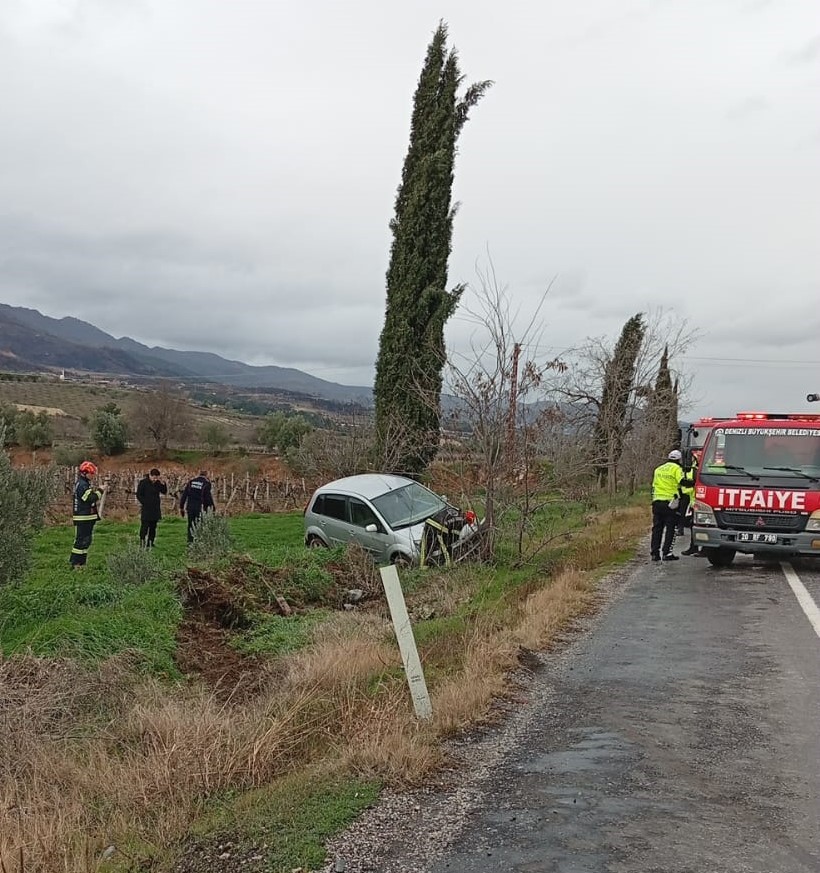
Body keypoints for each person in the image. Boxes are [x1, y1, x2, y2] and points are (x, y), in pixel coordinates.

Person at [650, 449, 692, 562]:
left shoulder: (658, 469)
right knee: (670, 529)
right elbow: (682, 482)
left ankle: (654, 553)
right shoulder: (677, 469)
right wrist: (694, 482)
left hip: (657, 502)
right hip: (670, 504)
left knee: (657, 529)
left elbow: (654, 485)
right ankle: (667, 553)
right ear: (679, 459)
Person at [70, 460, 106, 569]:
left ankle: (81, 563)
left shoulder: (83, 484)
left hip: (87, 517)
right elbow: (90, 498)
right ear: (84, 473)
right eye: (91, 474)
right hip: (83, 517)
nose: (93, 476)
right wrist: (100, 490)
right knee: (81, 541)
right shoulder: (82, 485)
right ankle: (76, 563)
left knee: (86, 541)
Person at [179, 469, 215, 544]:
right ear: (206, 475)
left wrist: (181, 507)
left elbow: (184, 495)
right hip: (200, 507)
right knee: (200, 524)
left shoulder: (191, 482)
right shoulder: (206, 484)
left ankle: (190, 541)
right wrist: (212, 508)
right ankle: (198, 541)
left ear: (199, 474)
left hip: (190, 507)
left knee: (190, 525)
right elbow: (208, 497)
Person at [136, 468, 168, 548]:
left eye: (156, 477)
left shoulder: (157, 483)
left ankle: (150, 542)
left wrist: (164, 484)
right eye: (154, 477)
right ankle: (142, 542)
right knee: (144, 527)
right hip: (146, 509)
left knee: (153, 527)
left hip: (155, 509)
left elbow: (164, 491)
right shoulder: (143, 483)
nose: (155, 479)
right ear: (150, 475)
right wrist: (145, 502)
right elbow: (139, 495)